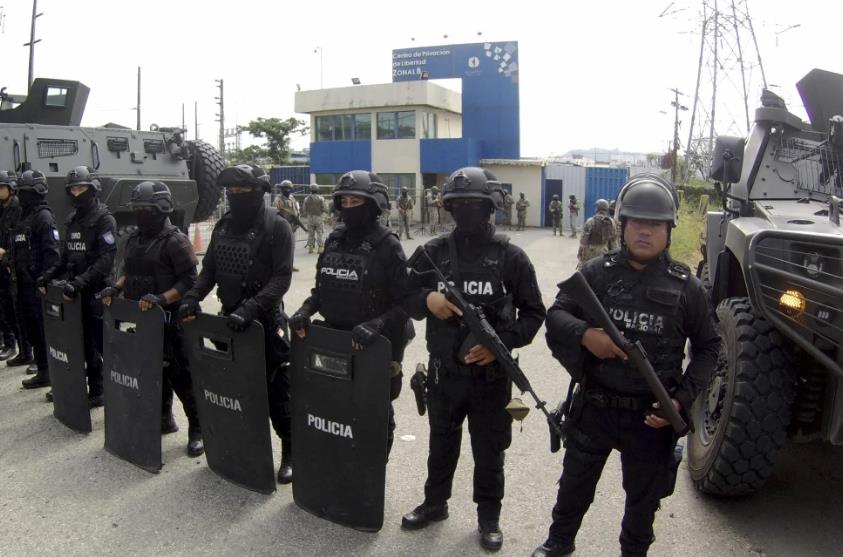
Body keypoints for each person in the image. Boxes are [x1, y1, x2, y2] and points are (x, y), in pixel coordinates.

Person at [534, 176, 720, 557]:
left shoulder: (688, 288)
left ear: (669, 230)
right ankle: (559, 542)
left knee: (642, 504)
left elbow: (709, 348)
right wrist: (587, 335)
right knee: (574, 486)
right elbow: (556, 314)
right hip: (595, 407)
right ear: (623, 226)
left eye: (655, 225)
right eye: (637, 222)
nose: (645, 232)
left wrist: (681, 402)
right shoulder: (597, 273)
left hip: (650, 418)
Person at [401, 167, 546, 552]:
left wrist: (500, 342)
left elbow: (534, 313)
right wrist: (427, 301)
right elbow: (403, 294)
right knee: (441, 443)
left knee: (489, 449)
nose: (465, 212)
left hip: (490, 376)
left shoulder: (511, 257)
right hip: (444, 372)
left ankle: (488, 517)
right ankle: (435, 504)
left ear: (490, 207)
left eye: (474, 205)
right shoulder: (433, 253)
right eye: (458, 205)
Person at [179, 163, 295, 484]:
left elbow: (282, 277)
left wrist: (252, 308)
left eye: (244, 190)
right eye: (232, 191)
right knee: (232, 389)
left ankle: (290, 450)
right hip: (229, 323)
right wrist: (192, 297)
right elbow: (209, 272)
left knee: (276, 393)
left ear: (260, 192)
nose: (236, 195)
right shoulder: (224, 227)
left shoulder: (277, 226)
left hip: (264, 323)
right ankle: (240, 447)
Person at [290, 170, 413, 455]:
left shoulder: (388, 245)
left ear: (373, 204)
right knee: (335, 407)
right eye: (343, 200)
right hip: (336, 342)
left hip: (376, 345)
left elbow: (407, 303)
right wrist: (305, 311)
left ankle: (371, 475)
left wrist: (377, 324)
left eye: (355, 200)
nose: (347, 206)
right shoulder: (334, 240)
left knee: (375, 412)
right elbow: (321, 293)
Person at [98, 181, 204, 457]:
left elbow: (190, 281)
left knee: (181, 375)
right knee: (153, 371)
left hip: (171, 318)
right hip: (143, 320)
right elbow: (128, 272)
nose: (140, 213)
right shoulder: (133, 239)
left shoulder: (176, 240)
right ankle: (164, 419)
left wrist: (163, 299)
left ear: (161, 208)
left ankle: (198, 427)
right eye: (137, 208)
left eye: (145, 208)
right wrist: (117, 287)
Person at [38, 166, 116, 405]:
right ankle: (96, 390)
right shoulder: (72, 220)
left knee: (103, 343)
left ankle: (117, 389)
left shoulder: (104, 218)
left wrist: (81, 282)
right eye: (72, 188)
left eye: (81, 187)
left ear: (92, 189)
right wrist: (48, 276)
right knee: (82, 343)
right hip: (75, 292)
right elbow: (65, 257)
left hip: (96, 291)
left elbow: (106, 259)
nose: (76, 192)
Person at [11, 170, 59, 387]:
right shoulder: (23, 217)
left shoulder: (43, 217)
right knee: (30, 327)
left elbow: (52, 253)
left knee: (42, 330)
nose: (22, 196)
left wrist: (44, 279)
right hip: (22, 283)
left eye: (26, 192)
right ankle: (42, 370)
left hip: (37, 284)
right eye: (21, 191)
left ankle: (50, 371)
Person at [0, 171, 22, 361]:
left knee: (15, 306)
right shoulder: (3, 207)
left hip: (10, 261)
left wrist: (6, 255)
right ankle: (10, 343)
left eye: (1, 188)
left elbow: (17, 238)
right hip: (4, 260)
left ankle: (22, 348)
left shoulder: (17, 208)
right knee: (4, 305)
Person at [576, 198, 618, 269]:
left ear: (597, 208)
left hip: (591, 251)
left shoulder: (590, 221)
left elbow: (584, 240)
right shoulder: (611, 222)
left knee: (587, 270)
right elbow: (613, 241)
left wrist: (580, 252)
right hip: (604, 250)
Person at [301, 184, 326, 254]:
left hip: (310, 218)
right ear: (317, 190)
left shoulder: (306, 199)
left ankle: (311, 248)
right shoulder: (321, 198)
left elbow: (304, 209)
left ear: (310, 190)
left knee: (310, 233)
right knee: (319, 233)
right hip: (319, 218)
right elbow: (324, 208)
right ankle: (320, 248)